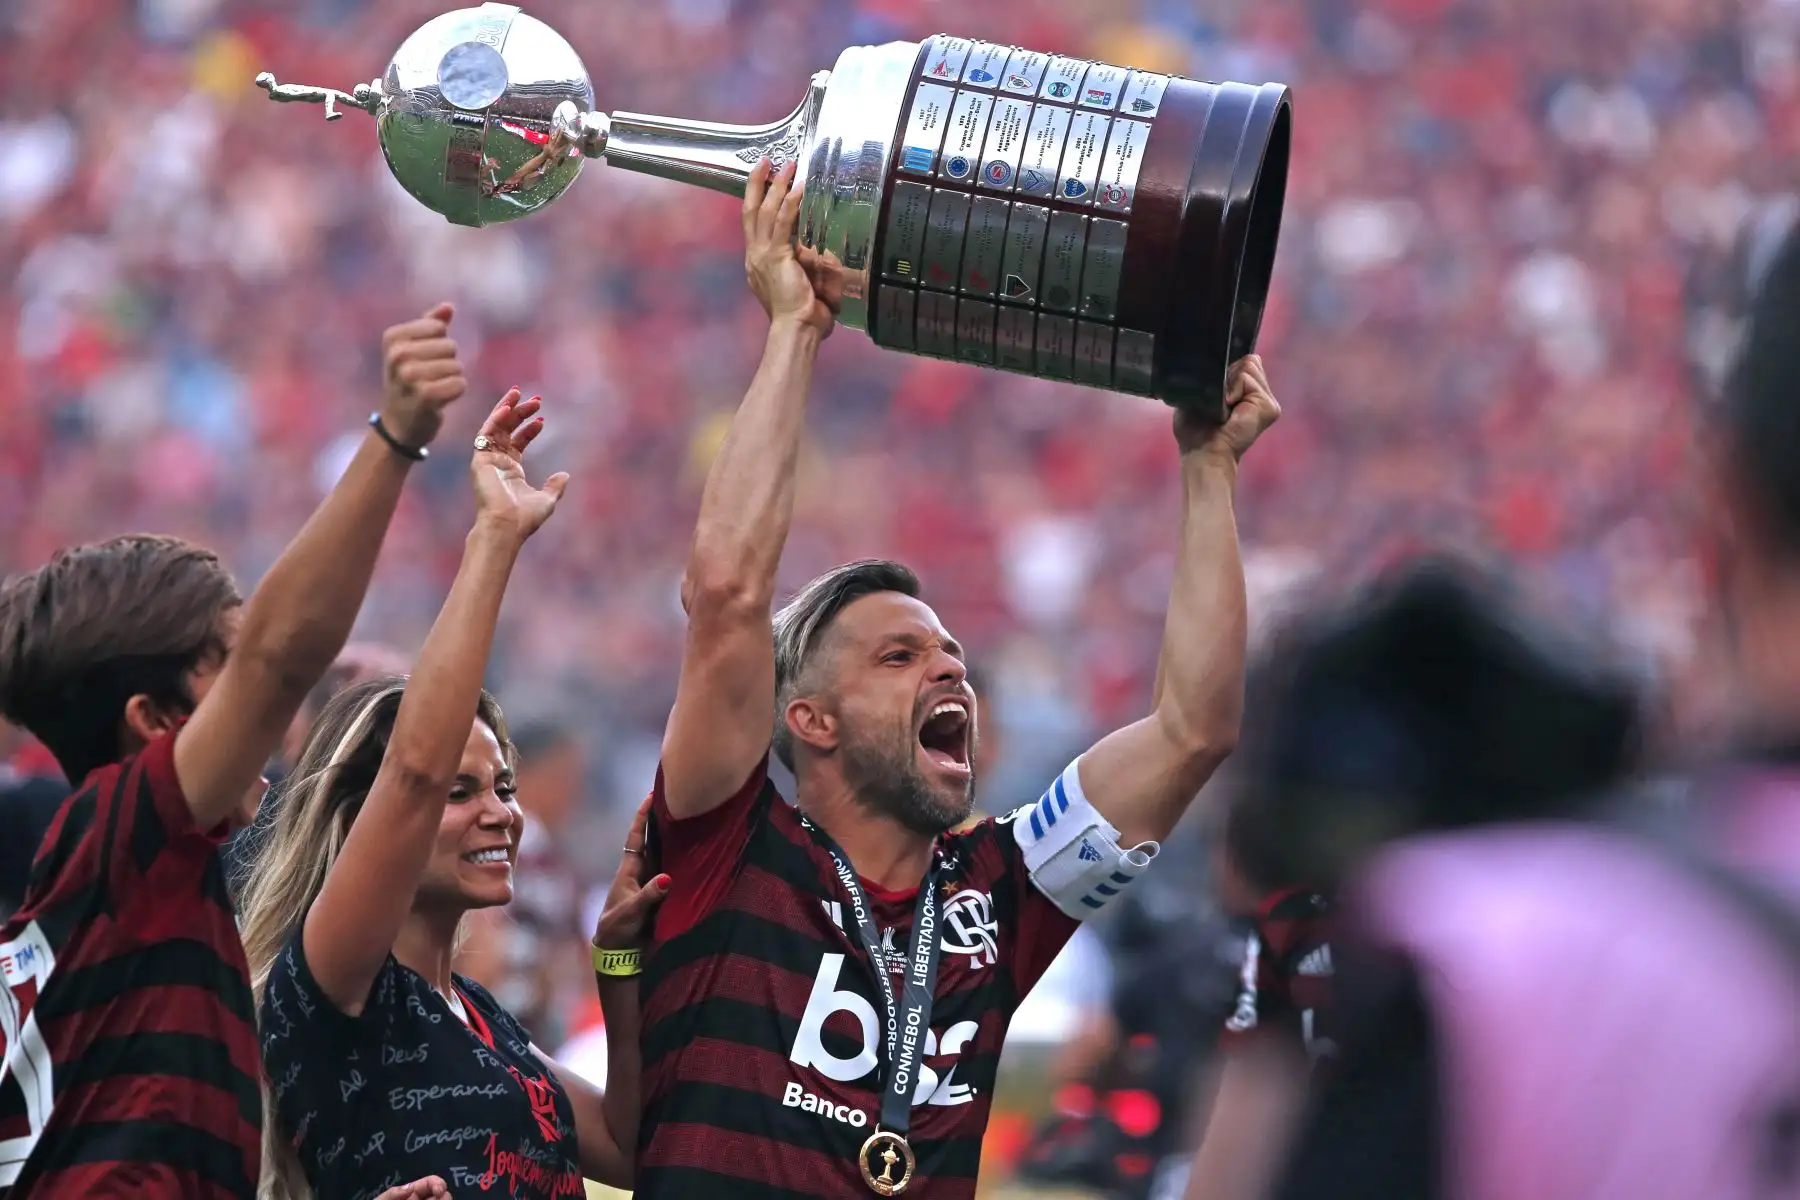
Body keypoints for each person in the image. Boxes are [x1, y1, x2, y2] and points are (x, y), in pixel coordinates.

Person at [634, 158, 1280, 1197]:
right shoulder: (728, 848)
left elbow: (1192, 732)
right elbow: (727, 600)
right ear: (811, 719)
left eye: (953, 660)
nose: (949, 670)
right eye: (900, 656)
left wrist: (1208, 467)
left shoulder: (999, 890)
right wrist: (796, 331)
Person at [0, 303, 472, 1198]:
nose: (272, 715)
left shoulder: (116, 923)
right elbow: (282, 657)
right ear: (151, 723)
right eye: (226, 665)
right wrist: (395, 439)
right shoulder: (117, 839)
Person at [238, 392, 657, 1199]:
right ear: (365, 823)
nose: (502, 812)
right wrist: (495, 538)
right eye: (462, 791)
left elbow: (627, 1147)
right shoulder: (337, 985)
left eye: (503, 785)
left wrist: (617, 962)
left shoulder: (481, 1019)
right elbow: (412, 772)